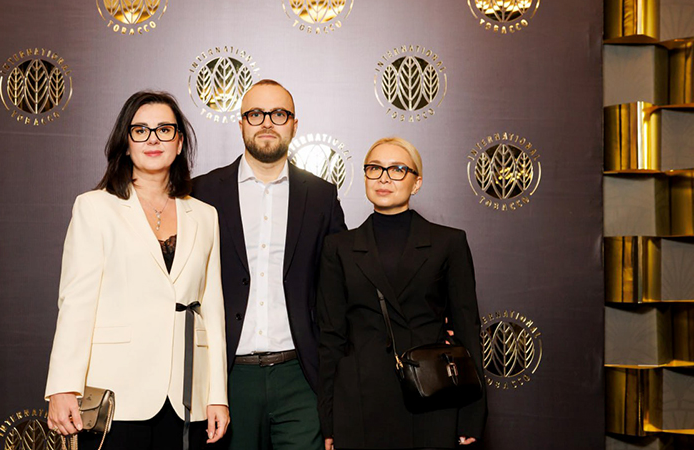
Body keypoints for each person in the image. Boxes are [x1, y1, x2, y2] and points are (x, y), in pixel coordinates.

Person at [45, 91, 229, 450]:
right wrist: (63, 386)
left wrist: (217, 395)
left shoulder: (205, 216)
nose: (153, 139)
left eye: (164, 130)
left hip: (186, 396)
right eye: (141, 130)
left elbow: (213, 311)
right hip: (118, 393)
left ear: (179, 143)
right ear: (126, 143)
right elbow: (76, 304)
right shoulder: (95, 208)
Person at [191, 79, 346, 450]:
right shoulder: (201, 192)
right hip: (226, 379)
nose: (266, 123)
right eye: (255, 114)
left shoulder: (321, 196)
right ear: (241, 123)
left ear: (294, 124)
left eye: (278, 114)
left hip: (300, 377)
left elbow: (341, 286)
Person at [316, 137, 487, 450]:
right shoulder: (338, 248)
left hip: (432, 397)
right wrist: (328, 420)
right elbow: (331, 339)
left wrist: (471, 414)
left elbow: (467, 330)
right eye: (374, 168)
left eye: (397, 169)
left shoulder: (449, 243)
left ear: (416, 182)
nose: (384, 178)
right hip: (359, 402)